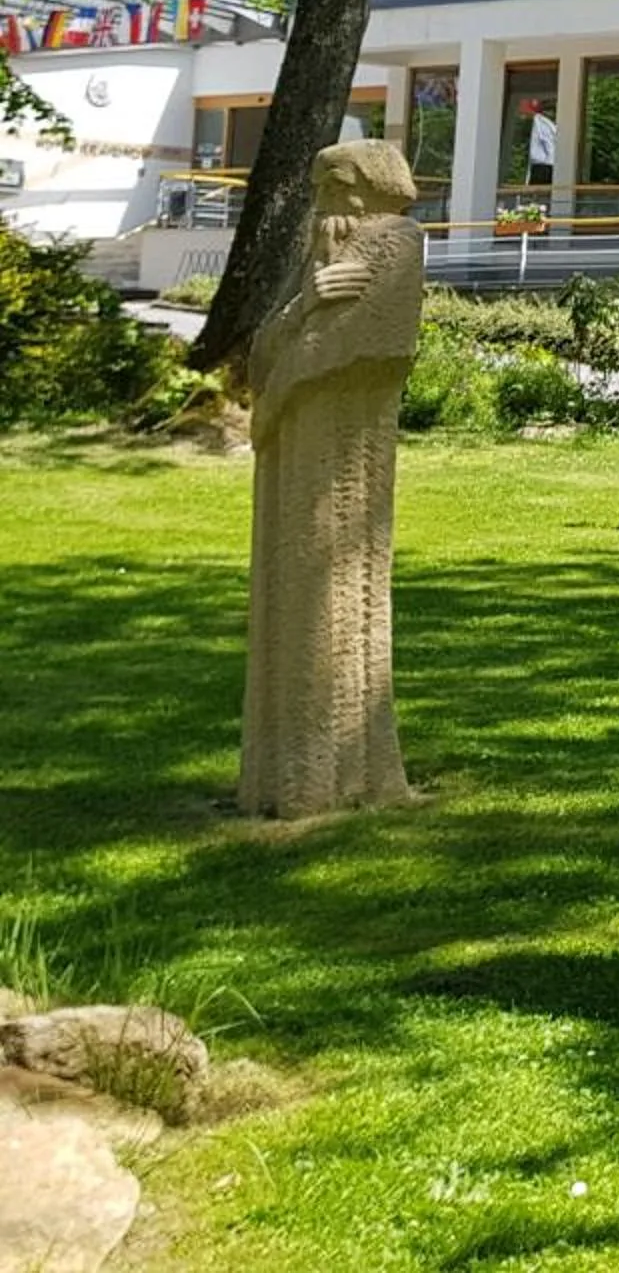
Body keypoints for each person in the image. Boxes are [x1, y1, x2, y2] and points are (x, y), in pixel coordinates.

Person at [240, 140, 426, 817]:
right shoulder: (322, 251)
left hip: (345, 441)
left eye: (335, 184)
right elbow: (265, 350)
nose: (324, 199)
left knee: (333, 589)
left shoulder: (396, 243)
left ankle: (333, 776)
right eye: (319, 185)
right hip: (296, 442)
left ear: (370, 187)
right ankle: (283, 776)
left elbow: (367, 344)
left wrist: (278, 392)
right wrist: (304, 304)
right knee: (291, 583)